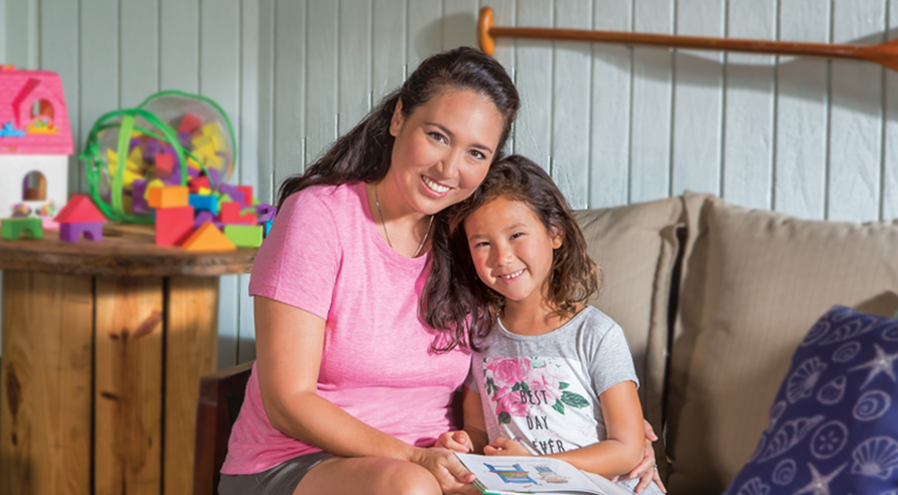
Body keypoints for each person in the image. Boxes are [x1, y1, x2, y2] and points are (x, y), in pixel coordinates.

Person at [218, 47, 660, 495]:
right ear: (397, 119)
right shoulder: (318, 217)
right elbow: (287, 401)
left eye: (475, 152)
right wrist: (414, 457)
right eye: (437, 136)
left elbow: (532, 343)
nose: (449, 169)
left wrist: (620, 432)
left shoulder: (468, 240)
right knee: (410, 488)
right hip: (300, 464)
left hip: (447, 469)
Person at [431, 155, 660, 494]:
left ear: (555, 233)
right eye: (482, 243)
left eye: (516, 234)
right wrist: (463, 444)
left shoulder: (596, 335)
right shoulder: (480, 338)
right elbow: (479, 433)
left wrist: (535, 465)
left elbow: (626, 449)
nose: (502, 256)